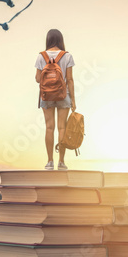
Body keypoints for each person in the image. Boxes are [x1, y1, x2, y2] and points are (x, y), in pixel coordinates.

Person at [35, 29, 76, 170]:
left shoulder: (41, 56)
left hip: (46, 96)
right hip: (63, 95)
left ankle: (49, 162)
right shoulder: (67, 56)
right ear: (61, 39)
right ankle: (62, 162)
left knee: (49, 128)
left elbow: (37, 79)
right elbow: (70, 79)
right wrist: (73, 101)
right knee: (62, 127)